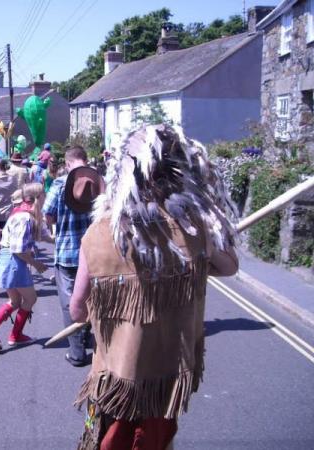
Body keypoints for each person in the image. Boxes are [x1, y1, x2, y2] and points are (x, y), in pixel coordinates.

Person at [69, 125, 239, 450]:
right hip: (166, 380)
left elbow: (77, 309)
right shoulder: (193, 228)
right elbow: (229, 267)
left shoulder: (99, 235)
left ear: (121, 170)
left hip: (116, 379)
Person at [42, 146, 104, 367]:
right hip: (96, 253)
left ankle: (77, 352)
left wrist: (58, 223)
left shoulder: (59, 184)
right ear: (85, 160)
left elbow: (47, 216)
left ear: (68, 163)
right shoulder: (99, 183)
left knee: (70, 302)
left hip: (68, 252)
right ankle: (87, 334)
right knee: (91, 296)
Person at [0, 183, 53, 350]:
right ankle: (15, 335)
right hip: (14, 261)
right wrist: (37, 264)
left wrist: (59, 240)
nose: (46, 197)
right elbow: (19, 249)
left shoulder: (24, 213)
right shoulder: (25, 218)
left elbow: (42, 236)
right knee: (30, 299)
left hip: (8, 260)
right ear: (37, 197)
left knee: (15, 301)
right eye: (44, 194)